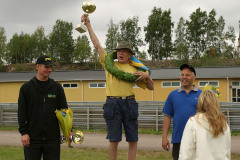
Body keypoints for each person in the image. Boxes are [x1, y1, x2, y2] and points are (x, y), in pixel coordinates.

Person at [81, 14, 154, 160]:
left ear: (129, 54)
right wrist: (88, 25)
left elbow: (151, 88)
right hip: (112, 103)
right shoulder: (109, 64)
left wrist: (147, 77)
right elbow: (97, 45)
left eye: (124, 51)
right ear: (116, 53)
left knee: (133, 138)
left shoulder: (135, 69)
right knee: (114, 139)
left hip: (129, 103)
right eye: (119, 51)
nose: (121, 53)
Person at [18, 55, 69, 160]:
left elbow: (64, 110)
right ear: (38, 67)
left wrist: (69, 130)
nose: (49, 70)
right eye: (46, 67)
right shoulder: (26, 88)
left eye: (51, 67)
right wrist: (24, 133)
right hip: (32, 138)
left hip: (53, 139)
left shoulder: (57, 88)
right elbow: (22, 113)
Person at [162, 64, 202, 160]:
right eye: (182, 75)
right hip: (178, 139)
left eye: (187, 75)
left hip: (198, 139)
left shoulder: (202, 94)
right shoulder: (173, 95)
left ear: (194, 77)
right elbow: (167, 117)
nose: (184, 77)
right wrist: (164, 137)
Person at [179, 90, 231, 160]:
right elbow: (227, 153)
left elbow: (185, 154)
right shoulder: (224, 124)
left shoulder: (193, 122)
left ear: (200, 102)